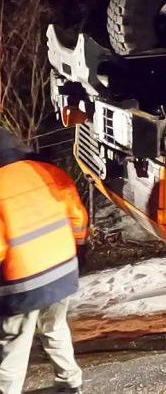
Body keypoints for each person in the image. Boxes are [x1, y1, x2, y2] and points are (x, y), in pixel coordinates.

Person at [0, 128, 88, 394]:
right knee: (54, 325)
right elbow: (78, 221)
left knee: (14, 342)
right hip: (63, 269)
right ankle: (70, 382)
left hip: (22, 280)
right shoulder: (46, 170)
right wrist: (76, 258)